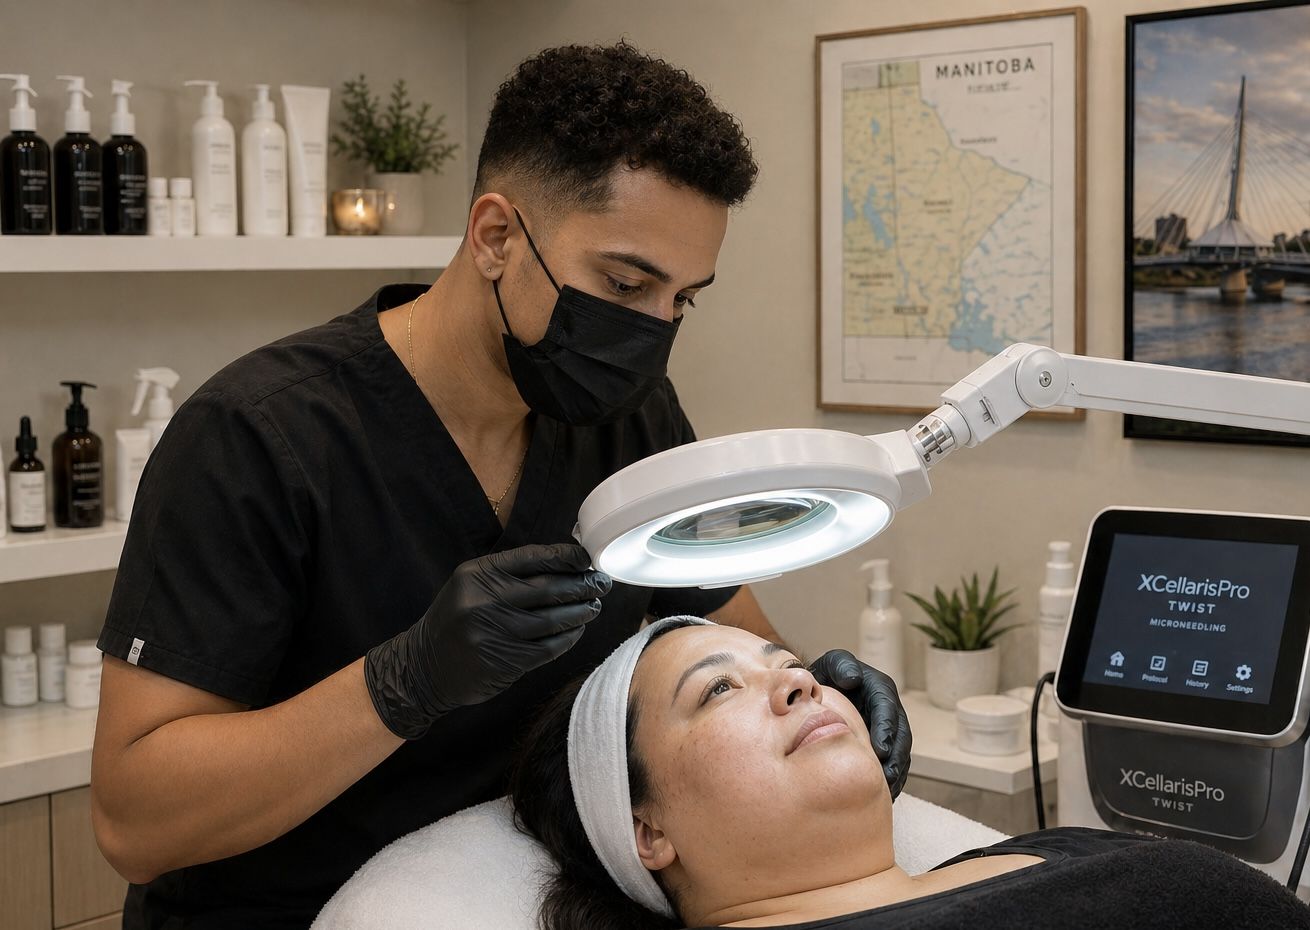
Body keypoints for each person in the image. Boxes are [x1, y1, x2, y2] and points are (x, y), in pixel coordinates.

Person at [89, 43, 911, 929]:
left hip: (512, 899)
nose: (653, 332)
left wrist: (821, 690)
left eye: (683, 299)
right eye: (625, 283)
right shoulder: (259, 437)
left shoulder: (628, 419)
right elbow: (134, 821)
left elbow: (727, 629)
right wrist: (402, 683)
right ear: (495, 236)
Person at [511, 617, 1310, 929]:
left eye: (789, 663)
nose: (802, 682)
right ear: (648, 829)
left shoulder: (1050, 848)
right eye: (719, 689)